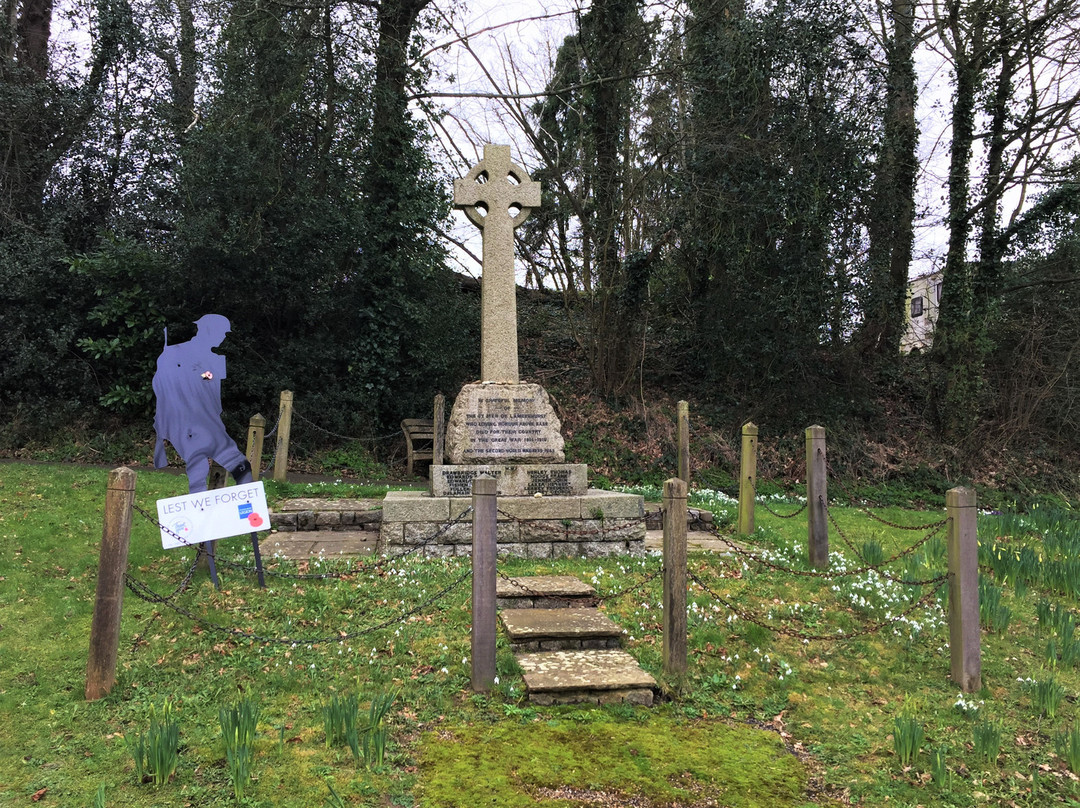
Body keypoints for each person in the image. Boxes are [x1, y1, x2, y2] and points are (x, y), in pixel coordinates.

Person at [153, 314, 253, 493]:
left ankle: (247, 511)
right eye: (221, 333)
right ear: (207, 331)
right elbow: (163, 387)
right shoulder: (174, 353)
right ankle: (199, 514)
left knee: (241, 468)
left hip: (210, 424)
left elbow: (214, 393)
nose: (223, 337)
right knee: (198, 470)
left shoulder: (215, 359)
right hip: (186, 424)